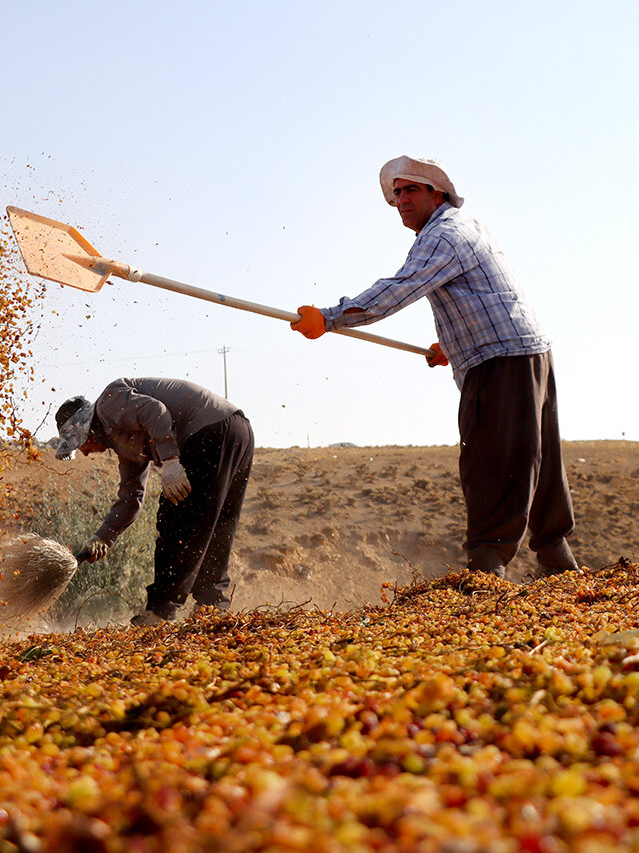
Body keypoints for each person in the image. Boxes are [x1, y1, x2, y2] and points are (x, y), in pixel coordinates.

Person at [290, 155, 579, 580]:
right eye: (397, 193)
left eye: (410, 190)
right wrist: (453, 343)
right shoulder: (464, 229)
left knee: (490, 460)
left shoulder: (444, 234)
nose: (401, 200)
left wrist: (330, 318)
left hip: (500, 359)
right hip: (524, 351)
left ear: (436, 192)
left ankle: (486, 570)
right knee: (534, 456)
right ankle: (557, 562)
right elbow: (482, 293)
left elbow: (402, 287)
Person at [55, 377, 254, 625]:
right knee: (214, 525)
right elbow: (131, 499)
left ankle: (160, 612)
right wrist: (103, 537)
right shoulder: (124, 442)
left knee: (174, 520)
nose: (83, 452)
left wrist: (170, 460)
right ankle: (212, 605)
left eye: (79, 444)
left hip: (209, 432)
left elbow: (155, 411)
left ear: (86, 429)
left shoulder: (108, 403)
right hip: (236, 431)